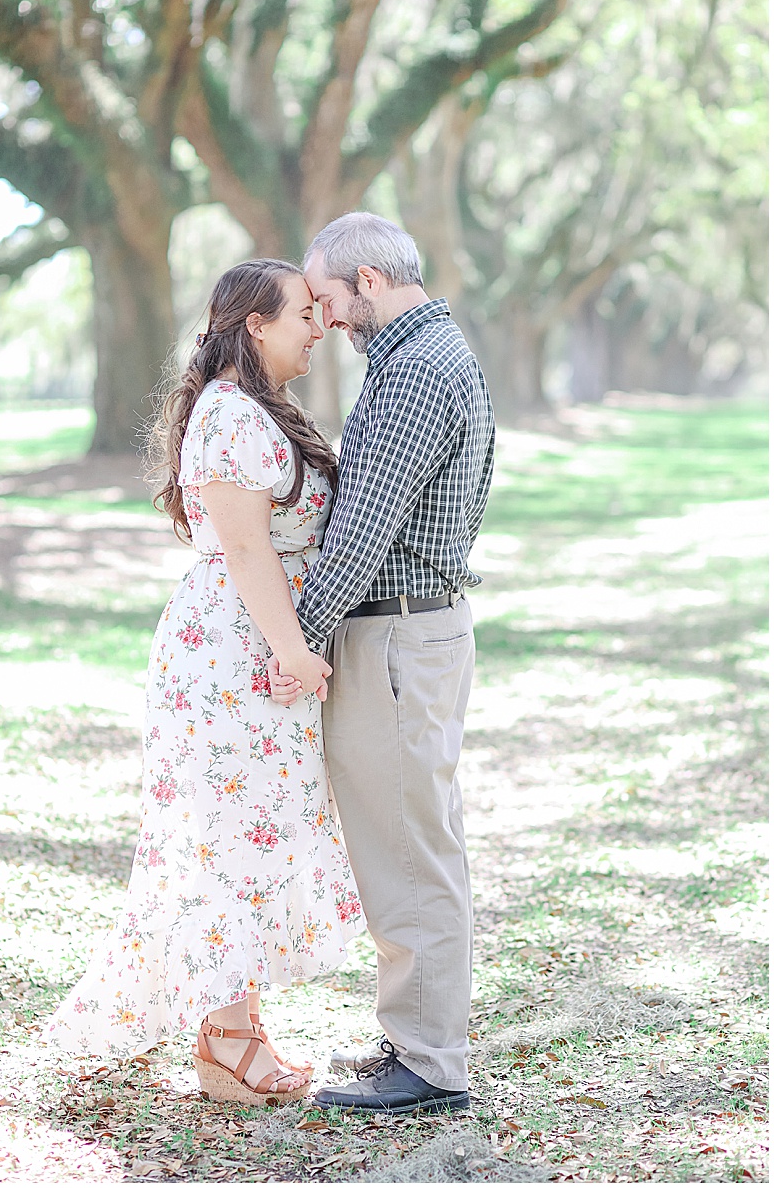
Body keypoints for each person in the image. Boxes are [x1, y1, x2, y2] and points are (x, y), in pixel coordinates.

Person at [45, 259, 363, 1107]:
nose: (319, 324)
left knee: (252, 835)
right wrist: (293, 651)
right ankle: (225, 1046)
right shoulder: (227, 415)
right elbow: (249, 549)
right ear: (254, 324)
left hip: (255, 651)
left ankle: (239, 1032)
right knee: (229, 839)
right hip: (233, 658)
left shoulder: (254, 410)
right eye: (304, 311)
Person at [270, 213, 494, 1114]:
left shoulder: (412, 373)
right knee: (410, 841)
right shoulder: (430, 353)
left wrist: (300, 645)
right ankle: (414, 1036)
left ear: (367, 279)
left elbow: (363, 532)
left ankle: (432, 1064)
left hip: (398, 635)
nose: (324, 317)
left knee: (412, 850)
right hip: (414, 633)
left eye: (326, 297)